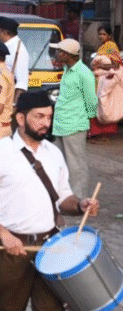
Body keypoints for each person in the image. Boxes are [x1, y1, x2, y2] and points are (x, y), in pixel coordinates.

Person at [0, 90, 100, 311]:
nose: (45, 123)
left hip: (50, 247)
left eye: (49, 117)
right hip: (11, 250)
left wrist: (80, 205)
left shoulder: (54, 153)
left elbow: (63, 198)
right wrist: (3, 234)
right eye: (39, 116)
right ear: (20, 118)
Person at [52, 39, 97, 198]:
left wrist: (87, 121)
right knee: (60, 164)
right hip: (60, 124)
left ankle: (79, 200)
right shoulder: (67, 69)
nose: (57, 53)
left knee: (76, 166)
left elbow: (91, 101)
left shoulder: (84, 73)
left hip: (75, 125)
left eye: (60, 51)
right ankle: (64, 198)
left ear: (68, 55)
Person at [0, 16, 29, 101]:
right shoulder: (6, 46)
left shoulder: (18, 51)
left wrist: (14, 105)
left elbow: (21, 83)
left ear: (4, 33)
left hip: (7, 100)